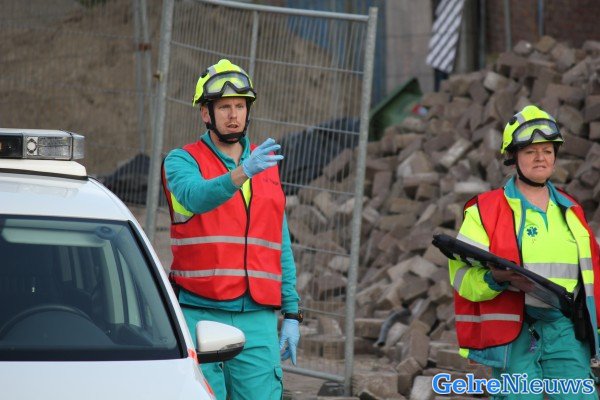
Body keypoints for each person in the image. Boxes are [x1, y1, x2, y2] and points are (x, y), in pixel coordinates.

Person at [161, 59, 301, 400]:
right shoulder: (182, 160)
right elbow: (196, 196)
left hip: (258, 317)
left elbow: (279, 243)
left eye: (240, 106)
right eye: (224, 107)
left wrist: (292, 312)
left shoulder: (265, 165)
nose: (233, 115)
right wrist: (243, 172)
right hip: (200, 313)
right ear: (205, 113)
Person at [448, 105, 600, 399]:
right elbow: (461, 276)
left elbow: (593, 278)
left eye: (547, 150)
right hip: (515, 329)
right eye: (531, 151)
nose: (540, 158)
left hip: (564, 327)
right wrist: (494, 279)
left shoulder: (572, 211)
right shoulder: (484, 210)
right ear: (513, 157)